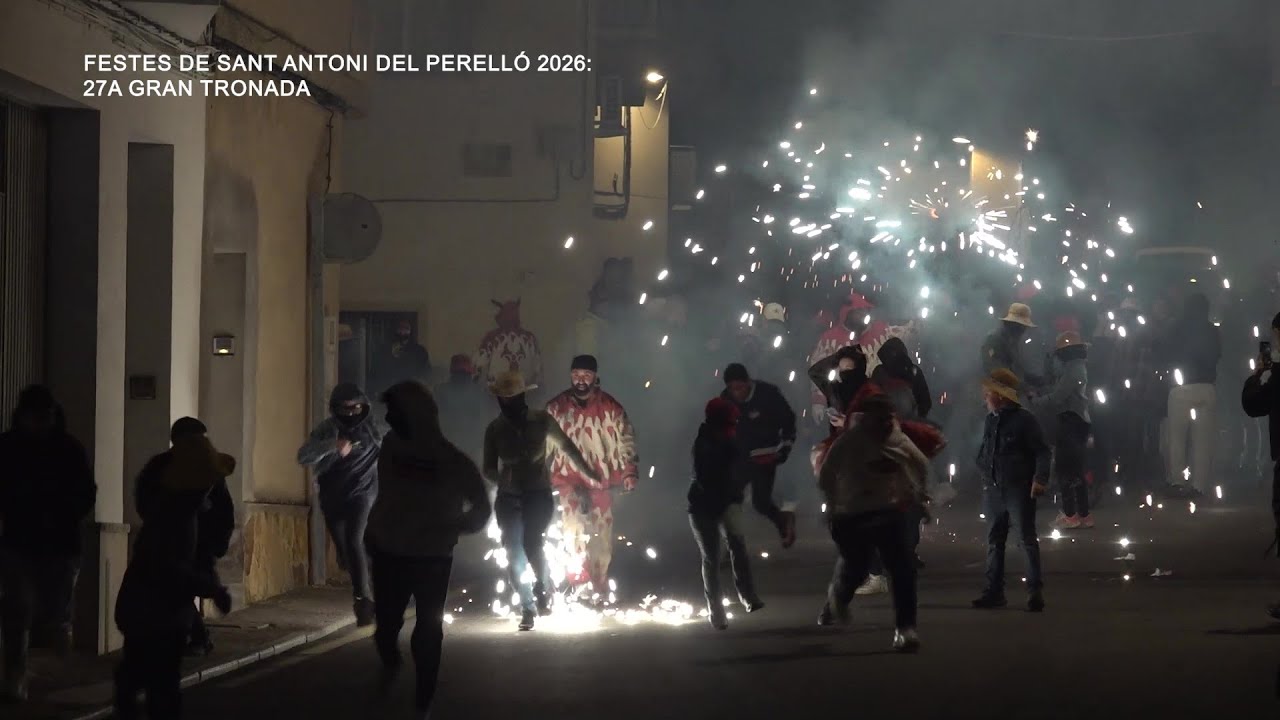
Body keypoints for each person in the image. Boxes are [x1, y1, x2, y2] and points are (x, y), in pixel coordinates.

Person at [366, 381, 491, 719]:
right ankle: (392, 664)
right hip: (391, 550)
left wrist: (454, 527)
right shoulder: (392, 446)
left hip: (430, 556)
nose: (389, 417)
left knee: (428, 628)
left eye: (395, 411)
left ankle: (423, 700)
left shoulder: (452, 461)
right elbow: (389, 495)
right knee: (387, 626)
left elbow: (481, 508)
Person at [114, 419, 235, 720]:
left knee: (142, 677)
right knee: (159, 684)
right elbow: (169, 568)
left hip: (152, 614)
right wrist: (213, 589)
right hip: (156, 616)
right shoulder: (176, 517)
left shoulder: (180, 508)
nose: (211, 485)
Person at [0, 385, 96, 702]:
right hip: (21, 540)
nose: (40, 423)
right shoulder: (10, 447)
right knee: (18, 608)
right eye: (36, 417)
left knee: (54, 608)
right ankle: (16, 673)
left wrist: (64, 514)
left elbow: (85, 491)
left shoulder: (67, 449)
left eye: (45, 416)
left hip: (58, 541)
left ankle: (53, 648)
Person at [483, 370, 600, 630]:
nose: (507, 402)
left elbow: (568, 447)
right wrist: (502, 477)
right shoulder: (495, 429)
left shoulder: (541, 420)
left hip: (538, 494)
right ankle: (527, 607)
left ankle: (542, 587)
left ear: (523, 396)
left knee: (532, 543)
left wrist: (590, 473)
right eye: (503, 398)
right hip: (509, 497)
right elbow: (487, 467)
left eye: (511, 397)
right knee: (513, 551)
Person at [816, 393, 929, 652]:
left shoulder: (897, 438)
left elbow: (920, 464)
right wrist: (835, 503)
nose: (883, 426)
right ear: (866, 420)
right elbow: (827, 475)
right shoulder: (850, 441)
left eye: (887, 420)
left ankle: (905, 628)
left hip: (889, 511)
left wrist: (919, 494)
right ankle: (838, 597)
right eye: (878, 420)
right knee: (855, 568)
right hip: (853, 513)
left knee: (902, 569)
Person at [545, 355, 639, 596]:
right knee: (572, 533)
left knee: (601, 540)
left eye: (586, 375)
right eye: (576, 374)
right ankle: (579, 586)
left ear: (595, 376)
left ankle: (598, 586)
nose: (580, 380)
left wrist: (629, 470)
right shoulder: (556, 408)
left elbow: (626, 439)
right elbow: (542, 444)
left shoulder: (611, 407)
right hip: (568, 481)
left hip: (601, 481)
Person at [297, 383, 383, 626]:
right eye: (345, 409)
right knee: (346, 555)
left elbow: (395, 446)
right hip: (332, 496)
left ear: (363, 407)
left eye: (356, 408)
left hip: (363, 494)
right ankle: (366, 572)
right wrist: (331, 447)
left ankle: (363, 601)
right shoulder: (327, 429)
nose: (351, 414)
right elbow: (303, 456)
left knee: (355, 540)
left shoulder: (373, 429)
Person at [973, 369, 1051, 613]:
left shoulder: (1025, 420)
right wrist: (985, 473)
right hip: (995, 489)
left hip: (1018, 489)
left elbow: (1042, 451)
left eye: (989, 393)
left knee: (1026, 539)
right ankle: (994, 592)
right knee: (995, 541)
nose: (985, 397)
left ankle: (1034, 592)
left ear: (1001, 396)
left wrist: (1039, 479)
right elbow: (985, 451)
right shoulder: (991, 421)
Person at [688, 397, 762, 629]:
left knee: (737, 548)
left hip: (726, 502)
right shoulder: (705, 445)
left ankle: (748, 597)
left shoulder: (731, 440)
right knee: (711, 558)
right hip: (704, 507)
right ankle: (717, 613)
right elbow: (707, 478)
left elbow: (743, 469)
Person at [721, 363, 799, 552]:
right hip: (740, 458)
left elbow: (788, 420)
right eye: (732, 389)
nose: (736, 393)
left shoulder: (768, 394)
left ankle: (783, 522)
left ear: (748, 383)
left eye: (739, 387)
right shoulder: (725, 400)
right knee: (729, 501)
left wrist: (785, 447)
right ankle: (733, 547)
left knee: (761, 502)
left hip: (765, 456)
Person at [175, 419, 235, 656]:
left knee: (186, 586)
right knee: (180, 588)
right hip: (177, 540)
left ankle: (198, 636)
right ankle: (196, 635)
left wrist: (218, 542)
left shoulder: (212, 472)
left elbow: (224, 511)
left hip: (202, 542)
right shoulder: (169, 466)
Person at [1032, 331, 1094, 530]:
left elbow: (1058, 396)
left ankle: (1070, 515)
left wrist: (1037, 402)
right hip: (1078, 422)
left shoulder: (1073, 370)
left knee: (1064, 470)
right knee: (1076, 470)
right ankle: (1084, 514)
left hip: (1071, 422)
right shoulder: (1076, 367)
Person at [1163, 293, 1221, 498]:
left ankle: (1178, 481)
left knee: (1177, 438)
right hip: (1206, 387)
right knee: (1203, 441)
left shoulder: (1176, 329)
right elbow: (1217, 355)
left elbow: (1166, 354)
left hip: (1181, 388)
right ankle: (1199, 485)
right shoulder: (1212, 331)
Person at [433, 354, 488, 457]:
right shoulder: (478, 391)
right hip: (469, 444)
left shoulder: (440, 390)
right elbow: (482, 419)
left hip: (450, 442)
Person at [981, 303, 1045, 390]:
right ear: (1013, 325)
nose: (1024, 330)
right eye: (1022, 326)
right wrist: (1021, 385)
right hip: (997, 392)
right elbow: (996, 370)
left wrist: (1031, 378)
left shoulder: (1011, 340)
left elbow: (1015, 367)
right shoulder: (994, 340)